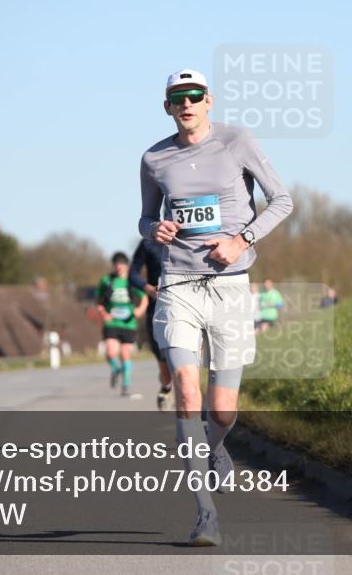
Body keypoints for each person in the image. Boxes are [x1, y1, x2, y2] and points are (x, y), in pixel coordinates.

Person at [139, 68, 293, 546]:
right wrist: (154, 230)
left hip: (229, 284)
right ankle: (206, 515)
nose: (186, 104)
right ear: (167, 107)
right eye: (176, 98)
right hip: (179, 283)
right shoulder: (154, 158)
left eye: (194, 96)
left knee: (222, 410)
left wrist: (241, 238)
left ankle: (218, 447)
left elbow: (282, 200)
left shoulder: (237, 141)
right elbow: (146, 216)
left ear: (209, 101)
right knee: (188, 393)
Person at [129, 237, 174, 411]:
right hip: (157, 304)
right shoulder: (148, 243)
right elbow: (133, 274)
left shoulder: (191, 236)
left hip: (187, 301)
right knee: (164, 362)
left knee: (185, 361)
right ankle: (167, 386)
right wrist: (147, 288)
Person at [96, 252, 148, 397]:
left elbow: (144, 298)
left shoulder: (132, 281)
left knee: (125, 354)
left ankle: (126, 384)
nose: (119, 267)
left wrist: (140, 310)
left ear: (127, 265)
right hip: (112, 322)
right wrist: (103, 314)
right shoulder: (107, 280)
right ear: (113, 266)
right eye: (116, 264)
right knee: (111, 352)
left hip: (128, 323)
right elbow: (99, 301)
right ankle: (116, 369)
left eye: (122, 264)